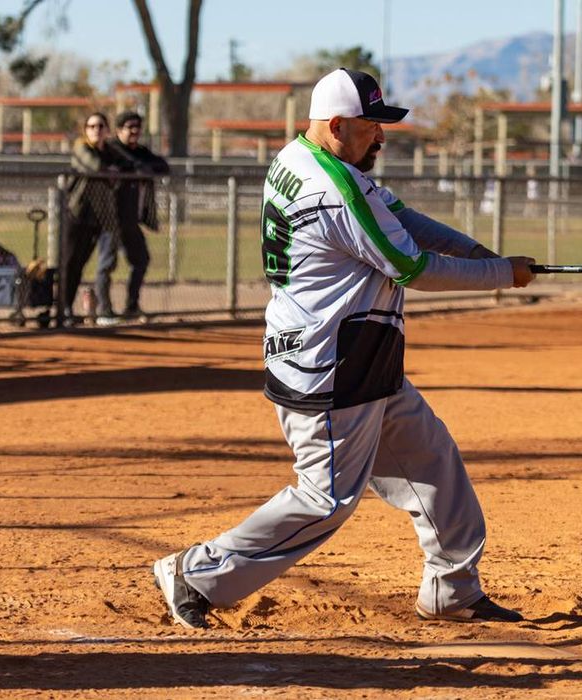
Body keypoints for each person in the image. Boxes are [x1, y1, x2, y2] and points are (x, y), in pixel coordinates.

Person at [153, 68, 536, 629]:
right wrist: (501, 273)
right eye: (371, 127)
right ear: (336, 125)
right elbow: (411, 266)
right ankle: (195, 572)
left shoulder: (310, 159)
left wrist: (478, 251)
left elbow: (400, 217)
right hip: (332, 366)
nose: (381, 137)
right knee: (324, 500)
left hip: (361, 354)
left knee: (434, 464)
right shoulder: (330, 190)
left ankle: (451, 590)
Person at [95, 110, 170, 324]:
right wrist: (133, 168)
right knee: (106, 264)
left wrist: (142, 167)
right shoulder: (111, 150)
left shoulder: (141, 152)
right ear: (119, 130)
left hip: (129, 220)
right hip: (109, 217)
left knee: (141, 260)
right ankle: (104, 310)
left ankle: (131, 306)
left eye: (137, 127)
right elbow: (111, 167)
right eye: (129, 127)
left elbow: (162, 166)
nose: (135, 131)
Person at [60, 112, 126, 326]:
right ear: (86, 130)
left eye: (100, 126)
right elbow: (94, 166)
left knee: (85, 263)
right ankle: (63, 309)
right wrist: (110, 171)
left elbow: (126, 167)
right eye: (91, 126)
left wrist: (116, 170)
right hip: (76, 214)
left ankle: (82, 310)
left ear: (107, 130)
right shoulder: (81, 147)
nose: (96, 130)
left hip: (98, 217)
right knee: (70, 263)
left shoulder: (111, 152)